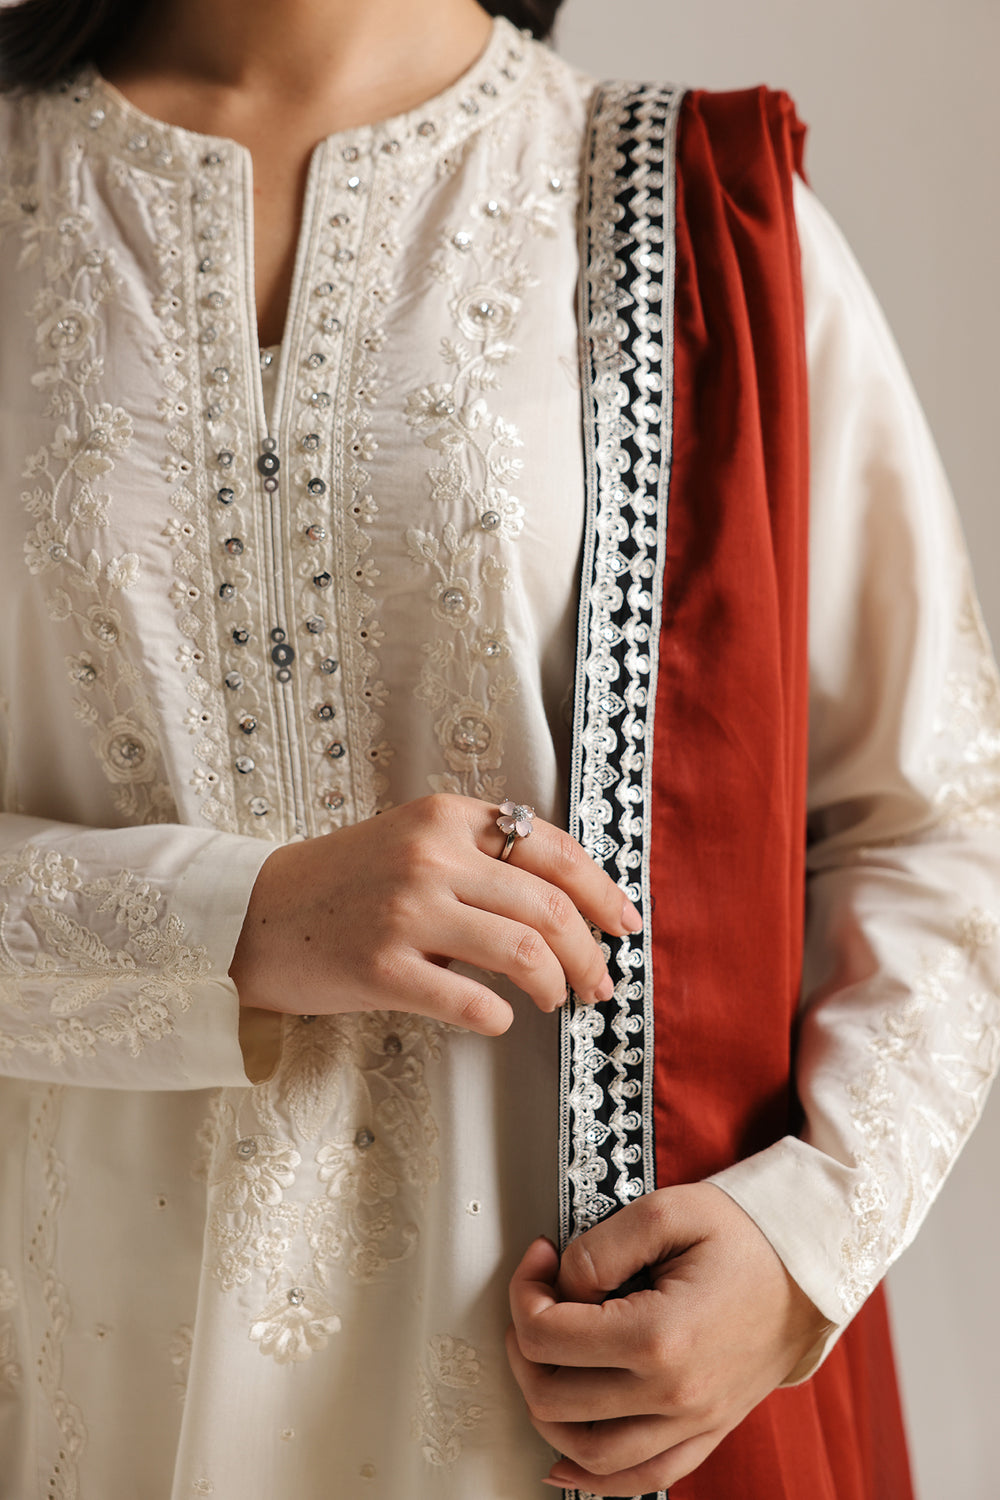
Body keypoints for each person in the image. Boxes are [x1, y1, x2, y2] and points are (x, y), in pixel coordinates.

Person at [0, 0, 997, 1496]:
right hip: (88, 1368)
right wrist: (236, 921)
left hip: (567, 1403)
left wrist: (803, 1243)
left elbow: (935, 817)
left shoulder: (691, 218)